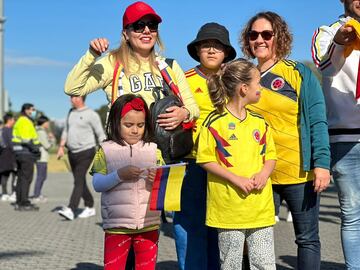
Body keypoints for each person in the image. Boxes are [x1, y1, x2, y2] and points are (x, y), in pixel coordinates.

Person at [239, 11, 331, 270]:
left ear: (278, 37)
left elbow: (317, 121)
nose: (260, 40)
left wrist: (321, 163)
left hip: (298, 173)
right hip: (260, 175)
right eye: (253, 35)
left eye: (266, 34)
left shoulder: (299, 73)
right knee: (256, 240)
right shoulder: (244, 78)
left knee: (307, 239)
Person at [64, 1, 199, 133]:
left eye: (152, 25)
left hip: (164, 151)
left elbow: (193, 108)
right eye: (138, 25)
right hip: (127, 150)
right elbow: (73, 88)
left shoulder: (169, 66)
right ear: (125, 34)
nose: (146, 31)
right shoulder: (112, 62)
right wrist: (92, 55)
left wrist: (184, 113)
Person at [196, 59, 277, 269]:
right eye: (258, 83)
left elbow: (271, 155)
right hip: (228, 210)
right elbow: (204, 159)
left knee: (264, 263)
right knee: (230, 263)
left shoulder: (260, 122)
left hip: (260, 209)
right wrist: (236, 179)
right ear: (244, 88)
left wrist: (264, 174)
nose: (261, 88)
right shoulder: (214, 122)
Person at [173, 22, 236, 270]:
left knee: (219, 225)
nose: (211, 50)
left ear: (226, 53)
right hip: (190, 161)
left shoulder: (233, 82)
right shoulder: (183, 80)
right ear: (197, 50)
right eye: (206, 45)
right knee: (189, 223)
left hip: (225, 164)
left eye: (217, 46)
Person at [311, 1, 360, 268]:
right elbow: (325, 66)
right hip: (346, 138)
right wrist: (340, 43)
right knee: (353, 214)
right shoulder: (328, 31)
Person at [92, 94, 162, 270]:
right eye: (128, 125)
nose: (135, 130)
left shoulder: (154, 151)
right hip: (117, 227)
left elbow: (166, 186)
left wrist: (158, 180)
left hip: (149, 225)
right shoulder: (105, 150)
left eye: (140, 125)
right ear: (116, 123)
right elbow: (97, 184)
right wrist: (119, 175)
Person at [57, 95, 106, 221]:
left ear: (81, 98)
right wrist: (61, 147)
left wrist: (106, 150)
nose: (71, 99)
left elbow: (100, 133)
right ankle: (90, 206)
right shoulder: (70, 113)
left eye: (74, 97)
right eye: (71, 97)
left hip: (87, 151)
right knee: (80, 180)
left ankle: (71, 209)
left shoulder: (91, 114)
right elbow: (65, 131)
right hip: (72, 152)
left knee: (78, 180)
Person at [12, 103, 41, 211]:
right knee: (26, 179)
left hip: (19, 153)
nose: (34, 111)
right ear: (26, 110)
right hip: (26, 153)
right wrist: (36, 149)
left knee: (21, 178)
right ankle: (24, 203)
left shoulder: (20, 120)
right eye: (32, 109)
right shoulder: (25, 121)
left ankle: (19, 202)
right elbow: (26, 139)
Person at [32, 115, 55, 203]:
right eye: (47, 122)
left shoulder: (40, 131)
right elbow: (47, 146)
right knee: (40, 177)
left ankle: (38, 193)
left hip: (42, 157)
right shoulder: (41, 132)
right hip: (41, 157)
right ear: (43, 123)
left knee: (43, 176)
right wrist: (51, 139)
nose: (48, 124)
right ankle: (36, 196)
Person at [0, 112, 16, 202]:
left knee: (4, 176)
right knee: (15, 176)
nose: (14, 121)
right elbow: (12, 144)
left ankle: (4, 193)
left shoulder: (1, 130)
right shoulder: (10, 130)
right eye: (13, 119)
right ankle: (14, 193)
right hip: (11, 156)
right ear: (9, 120)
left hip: (3, 156)